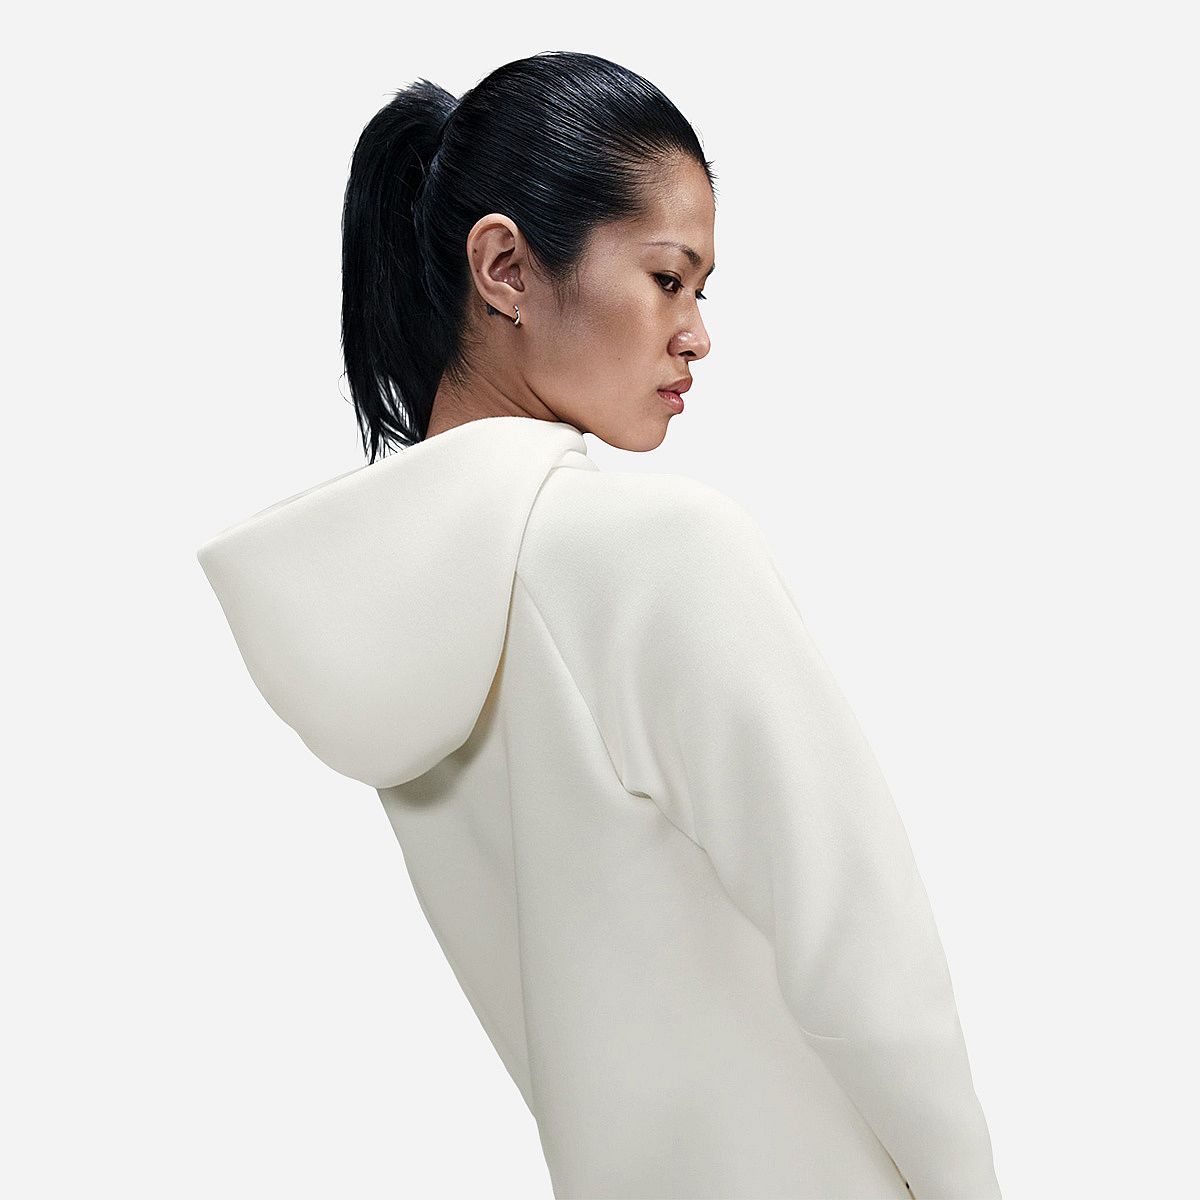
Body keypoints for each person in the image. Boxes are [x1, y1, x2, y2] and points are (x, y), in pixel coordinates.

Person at [196, 50, 1002, 1199]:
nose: (697, 334)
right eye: (668, 277)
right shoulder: (655, 554)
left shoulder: (400, 609)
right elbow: (870, 963)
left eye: (701, 291)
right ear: (505, 268)